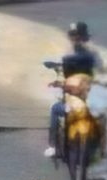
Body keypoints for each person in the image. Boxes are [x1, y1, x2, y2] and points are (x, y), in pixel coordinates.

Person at [44, 23, 102, 159]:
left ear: (84, 37)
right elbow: (55, 66)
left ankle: (99, 148)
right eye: (74, 35)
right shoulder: (65, 53)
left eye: (79, 35)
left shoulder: (93, 54)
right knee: (55, 109)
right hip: (69, 92)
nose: (77, 38)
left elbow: (101, 70)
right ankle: (53, 145)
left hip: (88, 93)